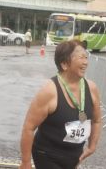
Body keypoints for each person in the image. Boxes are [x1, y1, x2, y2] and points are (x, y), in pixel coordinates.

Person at [19, 40, 101, 169]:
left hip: (74, 156)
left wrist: (92, 146)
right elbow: (28, 128)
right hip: (47, 154)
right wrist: (25, 163)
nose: (85, 62)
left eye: (86, 57)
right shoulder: (49, 91)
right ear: (64, 64)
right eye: (81, 57)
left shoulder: (92, 88)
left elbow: (96, 120)